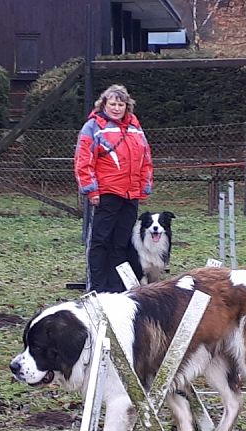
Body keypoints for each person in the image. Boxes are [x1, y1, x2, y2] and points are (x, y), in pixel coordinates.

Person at [74, 84, 153, 293]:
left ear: (127, 106)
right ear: (104, 104)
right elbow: (84, 161)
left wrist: (145, 187)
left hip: (130, 194)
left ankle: (118, 287)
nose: (117, 108)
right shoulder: (93, 127)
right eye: (113, 104)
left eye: (121, 104)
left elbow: (146, 159)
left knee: (122, 242)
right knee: (100, 241)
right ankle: (97, 288)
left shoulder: (136, 128)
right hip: (106, 194)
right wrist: (91, 190)